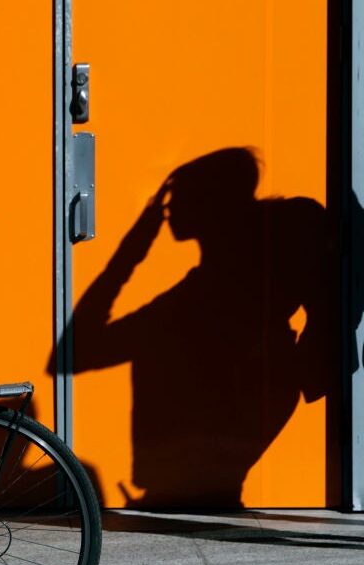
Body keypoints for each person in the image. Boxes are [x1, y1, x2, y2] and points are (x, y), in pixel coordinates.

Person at [66, 148, 335, 506]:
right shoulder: (218, 285)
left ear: (207, 203)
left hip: (233, 413)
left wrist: (132, 251)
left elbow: (79, 352)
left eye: (175, 195)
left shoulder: (206, 293)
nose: (167, 206)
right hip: (264, 396)